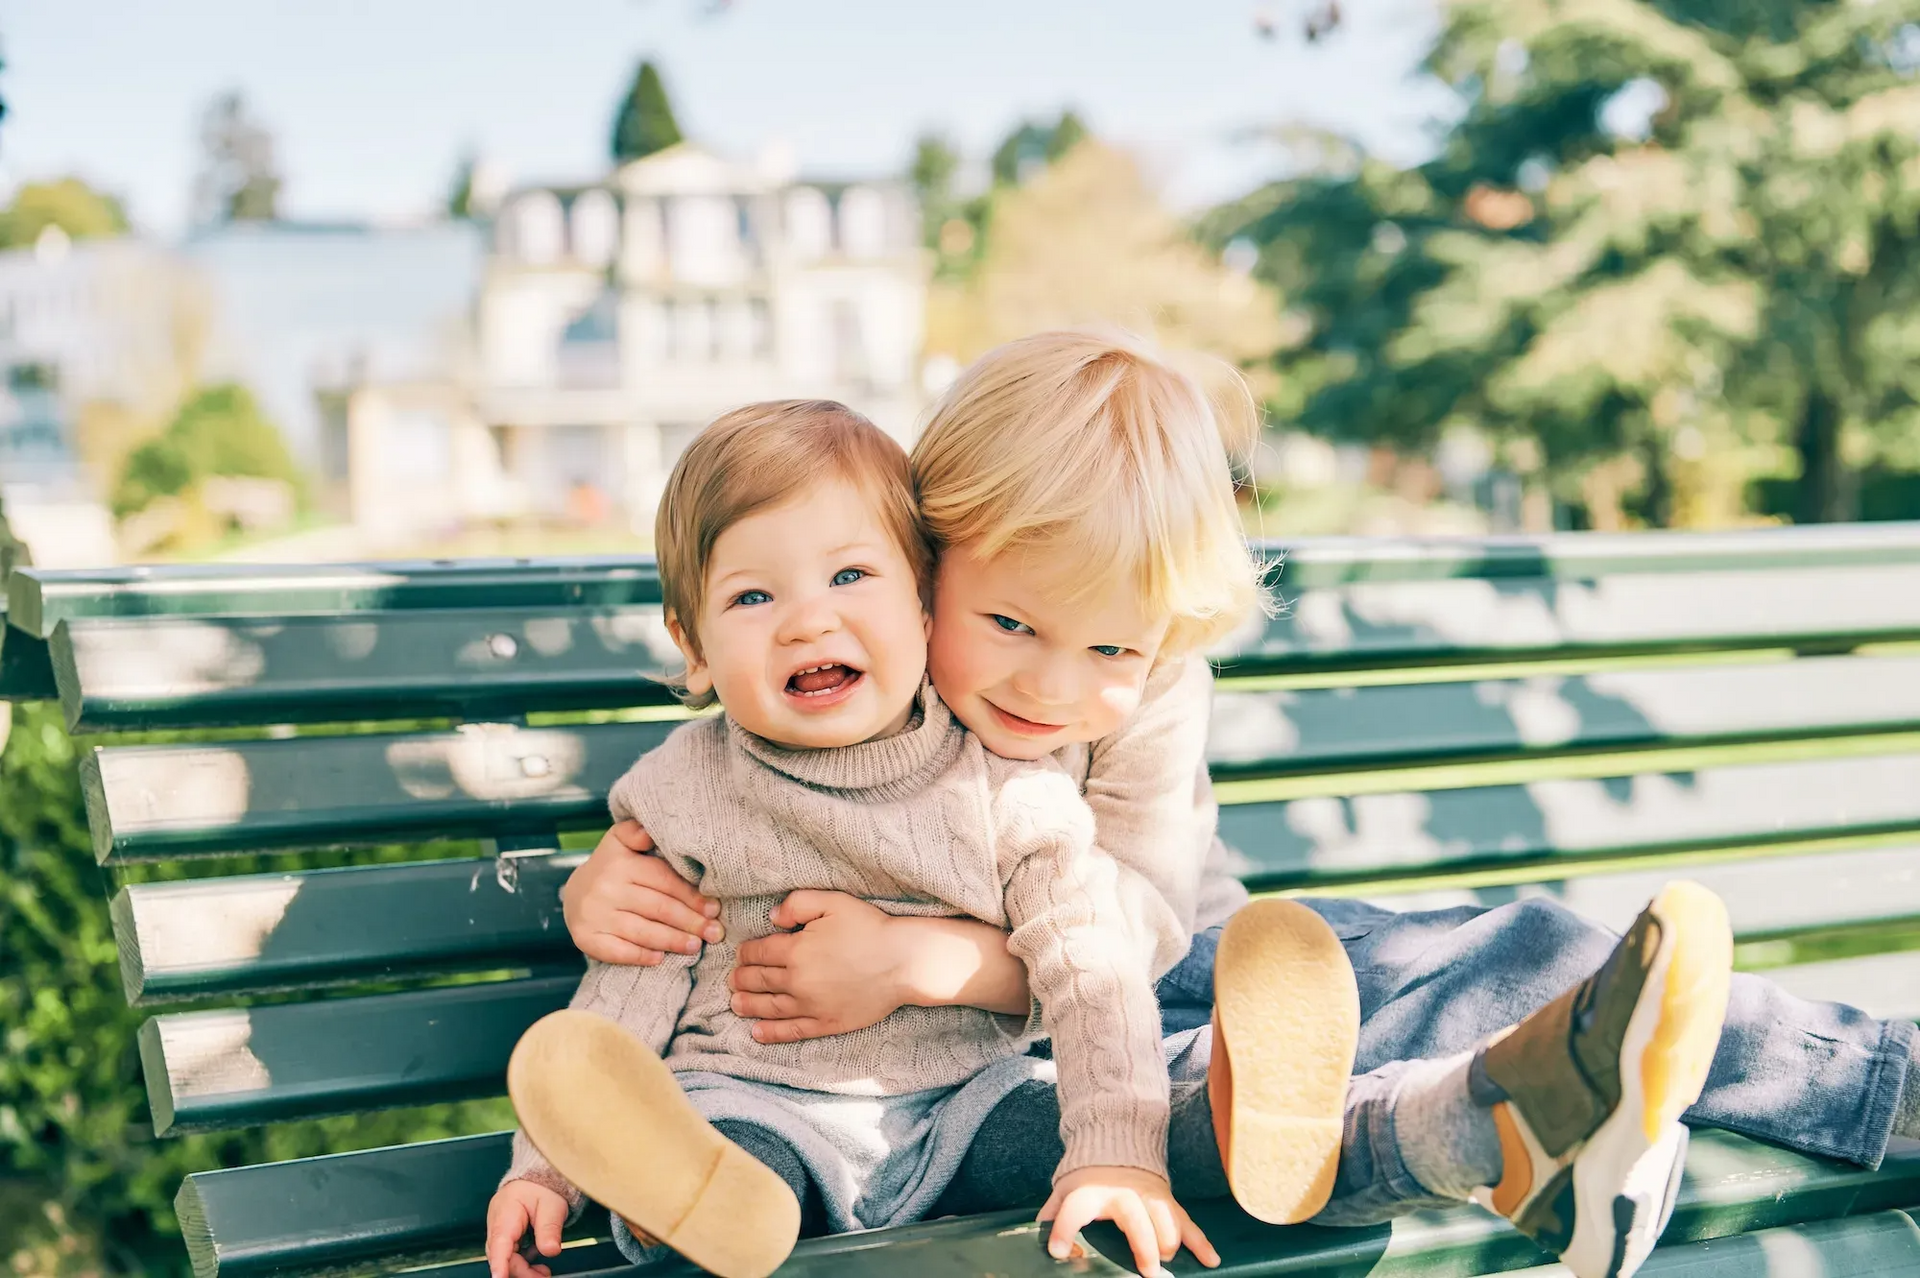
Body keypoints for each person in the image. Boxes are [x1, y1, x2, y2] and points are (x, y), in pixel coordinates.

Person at [559, 331, 1757, 1278]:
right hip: (960, 1061)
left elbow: (1119, 937)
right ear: (928, 569)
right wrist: (610, 892)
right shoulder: (794, 709)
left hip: (1156, 967)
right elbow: (663, 907)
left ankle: (1632, 1102)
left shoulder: (1125, 689)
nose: (1052, 685)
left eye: (1111, 650)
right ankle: (1490, 1125)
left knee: (1498, 958)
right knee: (1297, 1050)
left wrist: (939, 962)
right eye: (1010, 625)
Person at [485, 396, 1356, 1278]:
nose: (807, 621)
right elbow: (634, 977)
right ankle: (705, 1219)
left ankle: (1243, 1112)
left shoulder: (999, 784)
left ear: (923, 602)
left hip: (964, 1107)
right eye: (752, 596)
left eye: (851, 577)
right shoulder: (684, 793)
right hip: (762, 1097)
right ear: (695, 647)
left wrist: (1118, 1150)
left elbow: (1091, 967)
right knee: (721, 1153)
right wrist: (548, 1170)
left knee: (1063, 1125)